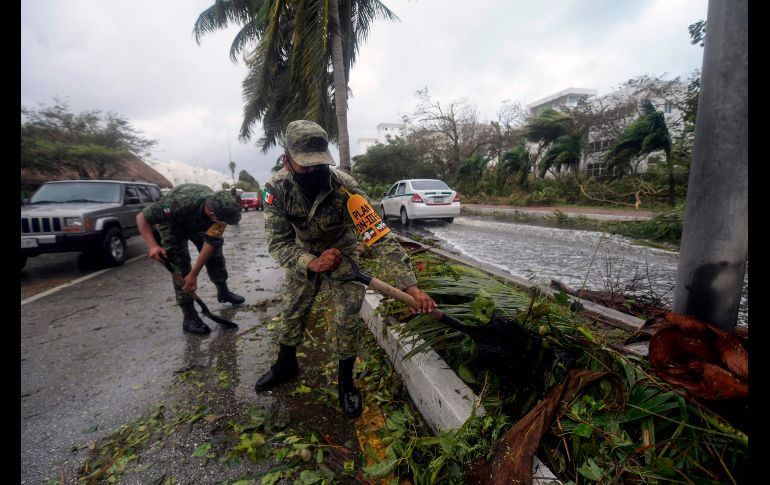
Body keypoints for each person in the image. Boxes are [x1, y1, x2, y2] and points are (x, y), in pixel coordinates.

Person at [255, 120, 437, 419]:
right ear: (286, 160)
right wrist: (310, 262)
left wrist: (409, 285)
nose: (314, 172)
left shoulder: (346, 188)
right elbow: (278, 243)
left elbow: (378, 236)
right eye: (305, 166)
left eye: (319, 165)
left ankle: (345, 380)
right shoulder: (276, 190)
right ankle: (285, 364)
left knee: (347, 317)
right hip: (302, 254)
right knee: (293, 310)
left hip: (343, 254)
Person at [136, 184, 245, 335]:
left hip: (198, 223)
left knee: (215, 256)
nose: (224, 223)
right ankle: (189, 316)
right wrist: (152, 245)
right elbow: (142, 217)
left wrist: (195, 273)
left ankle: (223, 291)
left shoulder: (221, 211)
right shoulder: (176, 204)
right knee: (180, 267)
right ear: (213, 214)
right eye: (223, 221)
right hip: (172, 224)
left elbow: (211, 244)